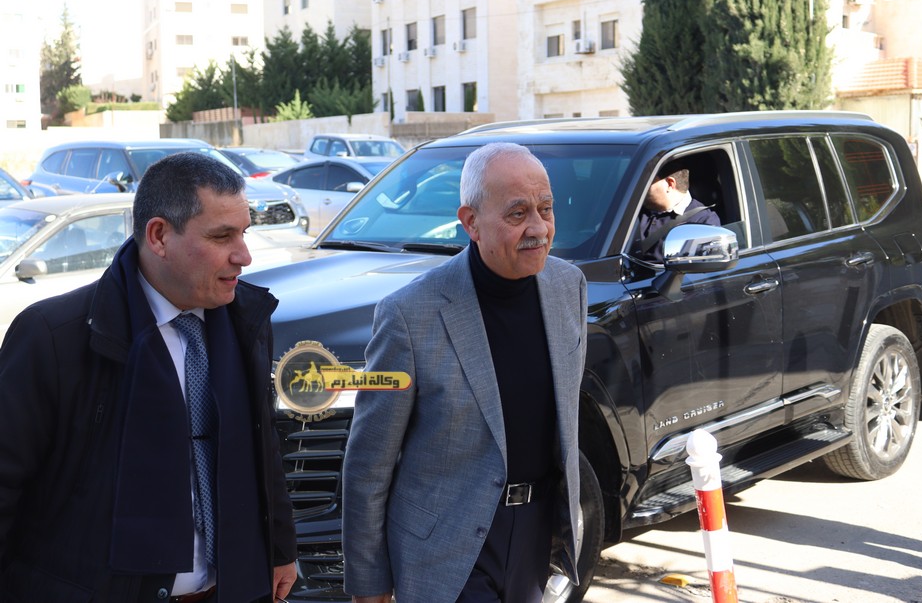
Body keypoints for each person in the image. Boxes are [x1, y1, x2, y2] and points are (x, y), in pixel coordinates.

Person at [0, 152, 297, 602]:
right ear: (159, 236)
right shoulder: (54, 336)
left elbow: (261, 442)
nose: (244, 256)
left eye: (244, 233)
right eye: (222, 236)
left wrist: (279, 547)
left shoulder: (245, 321)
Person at [342, 142, 588, 603]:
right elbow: (369, 461)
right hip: (444, 549)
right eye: (518, 213)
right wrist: (369, 581)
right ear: (471, 222)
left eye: (546, 208)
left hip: (535, 538)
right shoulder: (409, 314)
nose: (539, 228)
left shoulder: (567, 285)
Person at [636, 165, 721, 263]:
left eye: (646, 183)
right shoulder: (634, 210)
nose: (639, 188)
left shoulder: (704, 222)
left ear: (670, 184)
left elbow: (704, 268)